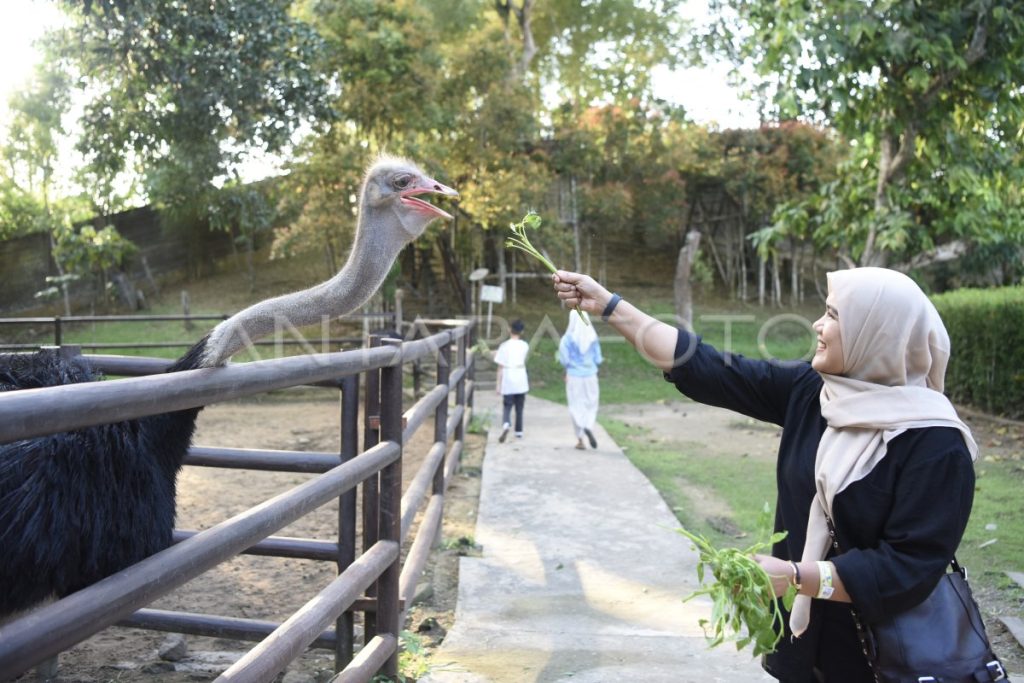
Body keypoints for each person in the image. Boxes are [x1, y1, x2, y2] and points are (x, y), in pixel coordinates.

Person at [552, 267, 977, 682]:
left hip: (885, 657)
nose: (817, 324)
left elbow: (908, 567)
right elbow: (708, 367)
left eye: (832, 315)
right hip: (805, 643)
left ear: (876, 334)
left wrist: (796, 577)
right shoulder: (816, 393)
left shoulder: (936, 446)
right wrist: (609, 306)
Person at [558, 310, 602, 449]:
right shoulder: (593, 337)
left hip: (574, 375)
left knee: (576, 405)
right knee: (591, 403)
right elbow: (598, 358)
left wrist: (567, 369)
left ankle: (580, 438)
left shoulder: (567, 339)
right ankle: (588, 426)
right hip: (591, 375)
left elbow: (564, 359)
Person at [494, 319, 530, 443]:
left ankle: (506, 424)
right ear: (522, 331)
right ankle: (519, 431)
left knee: (507, 405)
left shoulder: (504, 346)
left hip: (508, 375)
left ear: (509, 329)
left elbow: (500, 367)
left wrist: (498, 385)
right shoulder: (525, 345)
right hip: (520, 375)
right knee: (520, 407)